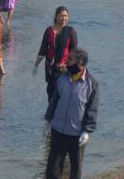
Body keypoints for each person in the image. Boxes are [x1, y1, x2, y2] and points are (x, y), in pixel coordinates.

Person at [44, 48, 99, 179]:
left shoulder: (92, 83)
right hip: (58, 130)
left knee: (76, 169)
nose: (67, 62)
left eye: (70, 60)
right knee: (53, 169)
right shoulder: (62, 78)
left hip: (77, 134)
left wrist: (87, 130)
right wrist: (48, 119)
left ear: (80, 63)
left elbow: (93, 108)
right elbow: (54, 100)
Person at [33, 6, 78, 101]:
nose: (64, 18)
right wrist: (36, 65)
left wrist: (69, 66)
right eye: (61, 16)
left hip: (64, 68)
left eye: (66, 16)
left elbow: (74, 52)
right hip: (50, 67)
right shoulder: (49, 31)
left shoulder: (71, 31)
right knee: (51, 92)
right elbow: (43, 49)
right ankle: (51, 114)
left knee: (63, 93)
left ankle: (61, 114)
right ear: (56, 17)